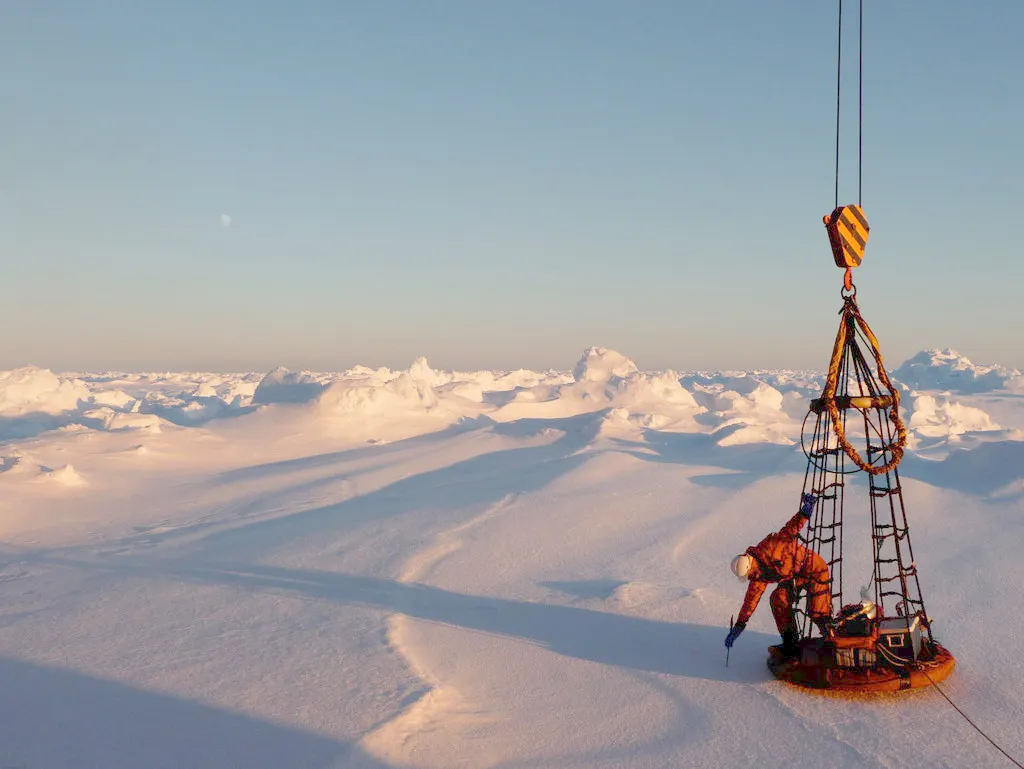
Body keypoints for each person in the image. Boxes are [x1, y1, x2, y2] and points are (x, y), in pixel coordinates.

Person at [724, 493, 833, 657]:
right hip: (793, 577)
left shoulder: (771, 547)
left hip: (814, 569)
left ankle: (833, 639)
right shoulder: (758, 575)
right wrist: (740, 624)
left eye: (748, 575)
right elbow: (751, 599)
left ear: (750, 566)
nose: (750, 578)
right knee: (778, 599)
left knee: (818, 611)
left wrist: (805, 512)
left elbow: (790, 529)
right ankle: (790, 643)